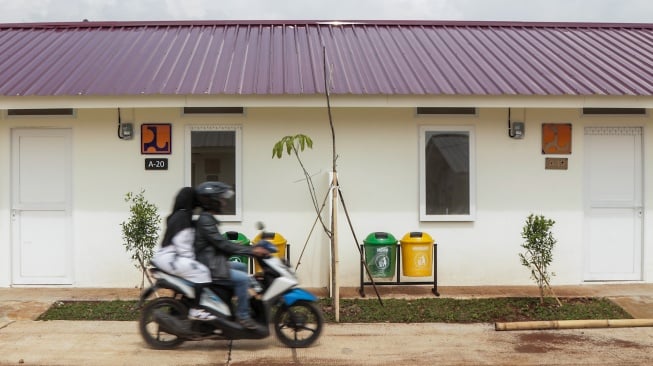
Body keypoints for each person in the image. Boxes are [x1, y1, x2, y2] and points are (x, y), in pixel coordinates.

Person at [193, 181, 269, 330]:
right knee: (242, 280)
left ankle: (232, 303)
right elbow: (223, 244)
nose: (224, 203)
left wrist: (252, 248)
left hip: (212, 262)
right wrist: (251, 251)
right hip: (210, 266)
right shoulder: (206, 220)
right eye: (221, 199)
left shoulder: (207, 218)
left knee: (240, 266)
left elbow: (221, 244)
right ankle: (243, 316)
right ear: (212, 201)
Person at [151, 187, 216, 321]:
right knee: (202, 272)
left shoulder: (178, 215)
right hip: (170, 258)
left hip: (167, 256)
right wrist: (193, 261)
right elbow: (182, 243)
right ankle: (196, 310)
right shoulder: (183, 216)